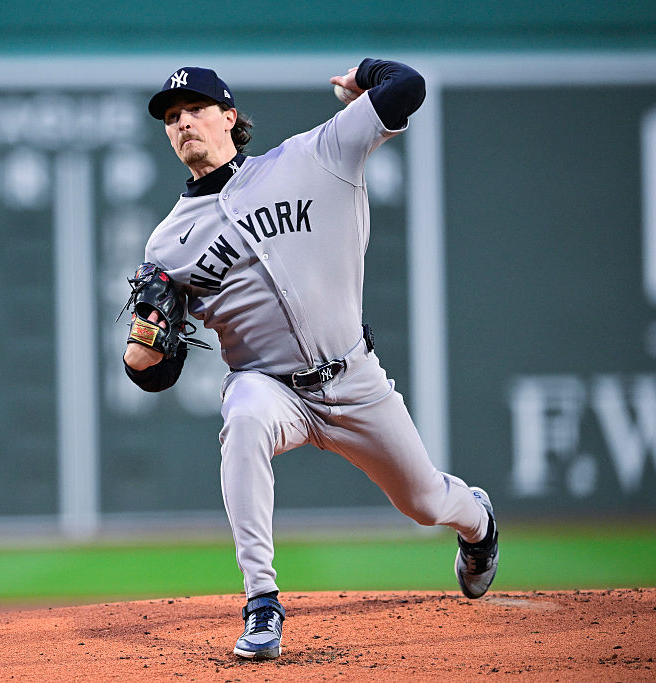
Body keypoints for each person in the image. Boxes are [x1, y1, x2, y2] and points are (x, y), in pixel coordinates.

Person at [123, 60, 499, 661]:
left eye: (195, 109)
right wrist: (143, 357)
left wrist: (366, 80)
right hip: (270, 389)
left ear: (229, 117)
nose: (183, 123)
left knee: (424, 502)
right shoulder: (168, 242)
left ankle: (477, 524)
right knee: (242, 415)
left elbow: (410, 87)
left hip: (353, 378)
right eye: (171, 117)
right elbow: (157, 372)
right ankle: (261, 603)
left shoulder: (313, 155)